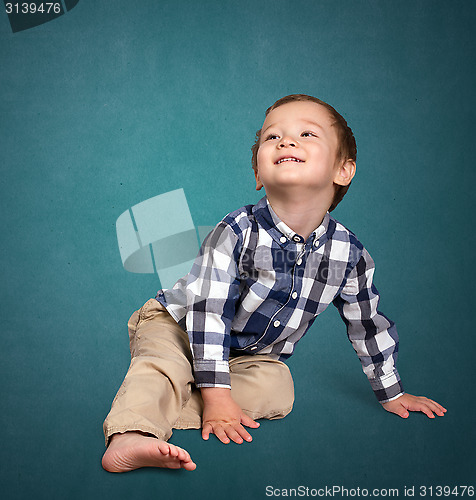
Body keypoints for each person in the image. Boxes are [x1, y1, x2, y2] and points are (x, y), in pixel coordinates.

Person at [101, 94, 446, 473]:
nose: (286, 141)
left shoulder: (348, 254)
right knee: (163, 363)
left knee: (278, 389)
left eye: (307, 134)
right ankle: (131, 434)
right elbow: (207, 312)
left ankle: (170, 400)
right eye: (272, 137)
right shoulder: (236, 231)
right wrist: (216, 396)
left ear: (343, 171)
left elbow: (367, 324)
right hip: (179, 325)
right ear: (257, 174)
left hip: (248, 357)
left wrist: (391, 393)